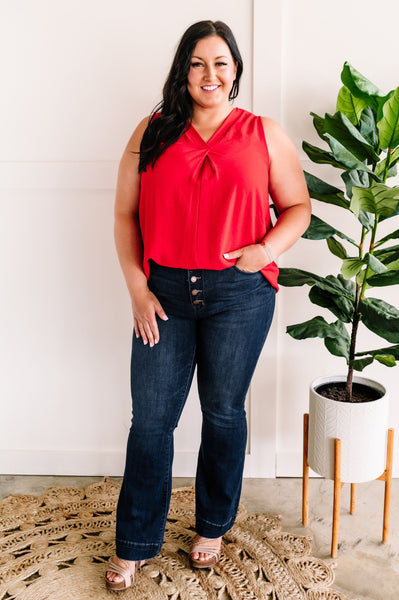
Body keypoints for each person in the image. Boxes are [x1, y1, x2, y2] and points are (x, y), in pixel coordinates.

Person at [105, 19, 311, 591]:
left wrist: (264, 250)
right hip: (163, 294)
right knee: (150, 421)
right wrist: (137, 287)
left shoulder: (264, 133)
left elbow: (298, 206)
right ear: (183, 70)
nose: (210, 74)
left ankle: (213, 526)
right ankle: (135, 543)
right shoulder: (151, 132)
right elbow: (124, 215)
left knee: (223, 413)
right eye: (198, 63)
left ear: (236, 70)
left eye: (221, 62)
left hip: (239, 295)